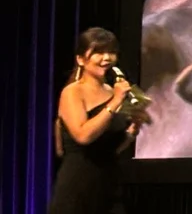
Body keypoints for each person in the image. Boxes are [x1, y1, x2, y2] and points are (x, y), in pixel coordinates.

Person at [51, 27, 145, 214]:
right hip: (78, 188)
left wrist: (132, 131)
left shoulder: (112, 90)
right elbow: (83, 136)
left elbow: (109, 149)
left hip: (109, 186)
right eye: (98, 52)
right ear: (81, 59)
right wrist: (115, 102)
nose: (107, 58)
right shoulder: (73, 92)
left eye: (111, 52)